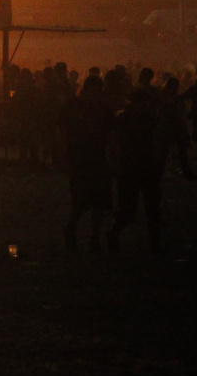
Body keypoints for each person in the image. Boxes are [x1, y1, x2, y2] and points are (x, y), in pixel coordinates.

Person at [58, 74, 114, 252]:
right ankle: (73, 229)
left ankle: (94, 238)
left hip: (97, 160)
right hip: (79, 160)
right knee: (81, 202)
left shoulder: (104, 110)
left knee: (99, 204)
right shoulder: (72, 108)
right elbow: (62, 133)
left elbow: (112, 137)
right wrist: (63, 156)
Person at [108, 87, 162, 253]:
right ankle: (115, 236)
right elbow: (114, 142)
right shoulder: (125, 119)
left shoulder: (144, 118)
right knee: (130, 208)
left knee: (149, 207)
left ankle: (154, 243)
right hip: (131, 166)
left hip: (140, 166)